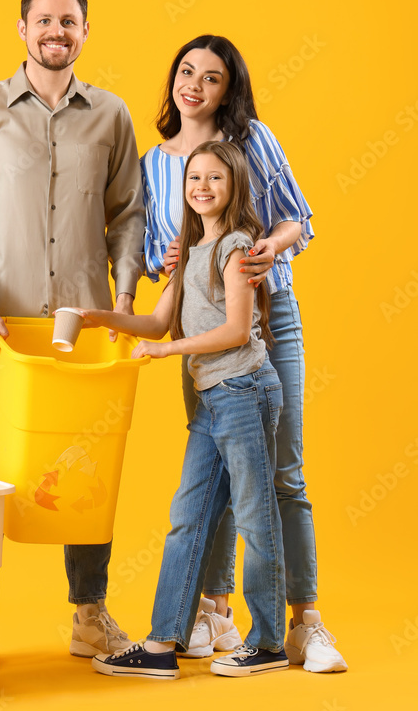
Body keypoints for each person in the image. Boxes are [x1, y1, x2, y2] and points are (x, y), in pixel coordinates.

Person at [0, 0, 145, 658]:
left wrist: (124, 300)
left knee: (87, 466)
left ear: (86, 33)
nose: (57, 31)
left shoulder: (111, 115)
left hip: (80, 330)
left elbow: (129, 216)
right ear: (22, 30)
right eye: (45, 21)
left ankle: (90, 615)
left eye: (70, 22)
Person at [138, 36, 346, 673]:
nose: (194, 85)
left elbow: (298, 221)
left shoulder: (253, 137)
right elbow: (157, 253)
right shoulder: (155, 161)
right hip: (203, 330)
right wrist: (165, 260)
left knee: (283, 470)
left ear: (230, 89)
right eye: (185, 71)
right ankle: (217, 612)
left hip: (266, 317)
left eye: (212, 77)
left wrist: (268, 249)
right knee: (220, 470)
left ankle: (304, 621)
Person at [82, 140, 287, 678]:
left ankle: (267, 644)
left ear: (234, 186)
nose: (202, 187)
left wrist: (169, 349)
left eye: (215, 179)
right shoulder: (190, 252)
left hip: (243, 391)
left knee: (254, 518)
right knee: (187, 519)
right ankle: (161, 645)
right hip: (210, 400)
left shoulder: (238, 246)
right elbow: (153, 322)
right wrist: (96, 318)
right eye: (194, 178)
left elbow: (237, 330)